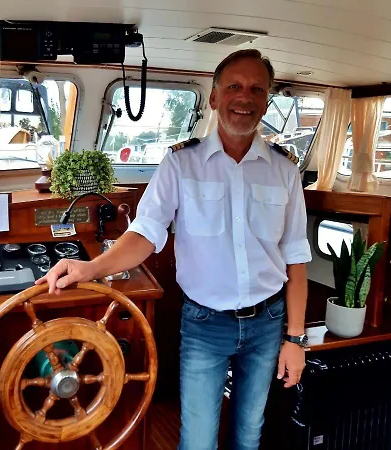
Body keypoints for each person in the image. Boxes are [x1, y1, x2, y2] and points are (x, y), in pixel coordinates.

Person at [36, 49, 312, 450]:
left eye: (257, 89)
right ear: (214, 97)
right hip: (205, 323)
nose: (245, 97)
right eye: (234, 86)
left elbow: (296, 259)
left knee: (249, 436)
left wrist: (296, 339)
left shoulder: (285, 170)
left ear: (267, 102)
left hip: (268, 323)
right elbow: (146, 233)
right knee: (198, 441)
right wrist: (89, 269)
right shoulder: (182, 163)